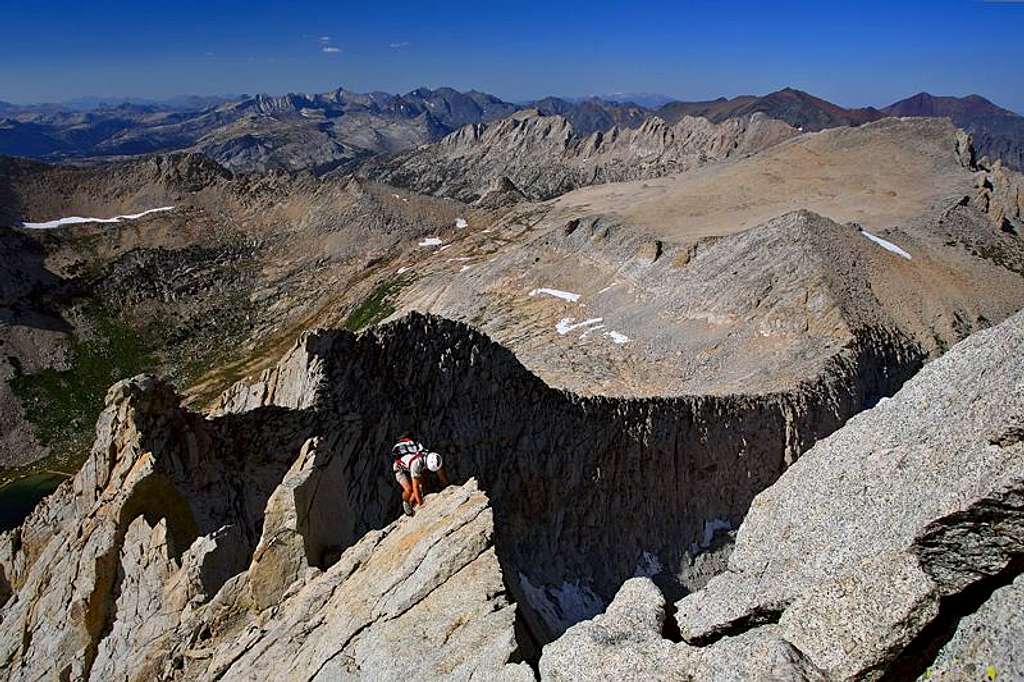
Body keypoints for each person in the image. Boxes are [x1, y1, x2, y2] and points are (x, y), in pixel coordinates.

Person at [391, 436, 449, 516]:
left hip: (413, 465)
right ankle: (406, 502)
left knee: (421, 484)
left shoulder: (431, 455)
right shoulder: (416, 464)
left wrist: (446, 486)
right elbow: (416, 487)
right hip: (399, 469)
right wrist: (421, 505)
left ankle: (413, 503)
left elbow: (439, 470)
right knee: (409, 490)